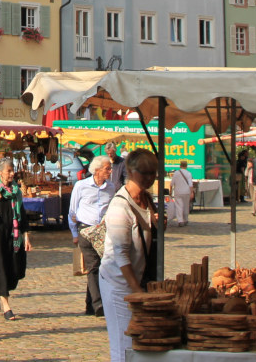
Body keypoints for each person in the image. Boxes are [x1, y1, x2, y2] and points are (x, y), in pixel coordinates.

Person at [99, 148, 160, 362]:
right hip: (118, 283)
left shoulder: (147, 199)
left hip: (139, 278)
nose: (151, 177)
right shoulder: (119, 206)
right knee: (124, 346)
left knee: (140, 344)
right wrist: (137, 292)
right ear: (131, 171)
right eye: (145, 172)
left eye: (154, 172)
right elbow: (121, 255)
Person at [0, 158, 31, 320]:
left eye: (12, 170)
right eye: (8, 170)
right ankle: (6, 307)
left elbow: (21, 213)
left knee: (13, 268)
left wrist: (26, 236)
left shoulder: (16, 190)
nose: (12, 173)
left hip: (13, 235)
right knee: (0, 267)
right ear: (0, 172)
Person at [69, 154, 115, 317]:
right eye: (107, 168)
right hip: (85, 230)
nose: (110, 171)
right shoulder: (81, 186)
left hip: (102, 232)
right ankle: (98, 305)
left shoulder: (111, 188)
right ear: (96, 170)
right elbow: (72, 211)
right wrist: (75, 233)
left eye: (110, 168)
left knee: (101, 267)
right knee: (93, 266)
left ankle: (90, 304)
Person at [169, 160, 194, 226]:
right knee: (186, 206)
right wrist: (192, 193)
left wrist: (170, 191)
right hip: (186, 192)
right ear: (186, 166)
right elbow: (190, 184)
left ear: (180, 165)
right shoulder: (189, 173)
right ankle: (185, 219)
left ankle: (180, 220)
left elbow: (172, 183)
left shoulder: (176, 173)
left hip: (178, 192)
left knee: (179, 206)